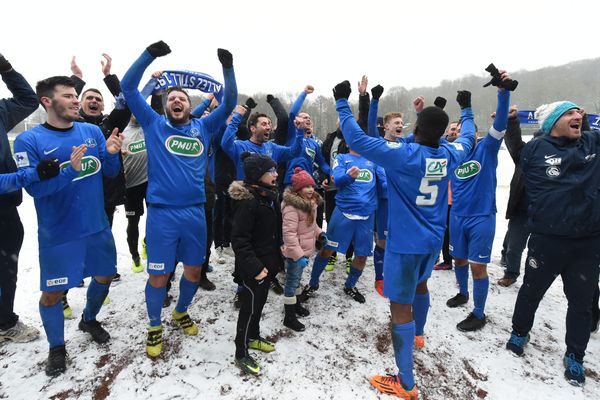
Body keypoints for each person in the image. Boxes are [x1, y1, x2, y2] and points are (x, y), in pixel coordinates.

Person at [331, 79, 477, 399]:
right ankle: (420, 335)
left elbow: (356, 137)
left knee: (400, 307)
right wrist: (466, 109)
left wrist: (342, 101)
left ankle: (406, 383)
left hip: (403, 245)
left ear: (417, 128)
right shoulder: (451, 154)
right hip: (432, 242)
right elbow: (467, 137)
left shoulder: (402, 155)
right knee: (422, 286)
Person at [120, 41, 237, 358]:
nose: (176, 100)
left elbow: (230, 103)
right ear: (165, 104)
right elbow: (128, 88)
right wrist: (148, 55)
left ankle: (181, 311)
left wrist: (227, 67)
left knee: (194, 272)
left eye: (181, 98)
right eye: (171, 97)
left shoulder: (203, 126)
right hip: (162, 215)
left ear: (189, 105)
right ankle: (155, 325)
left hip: (195, 214)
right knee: (159, 275)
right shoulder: (154, 124)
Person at [13, 75, 123, 376]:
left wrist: (112, 155)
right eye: (68, 96)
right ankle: (57, 347)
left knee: (103, 277)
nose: (76, 100)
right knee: (52, 295)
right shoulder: (29, 140)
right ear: (47, 101)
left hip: (96, 227)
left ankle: (89, 319)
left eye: (76, 95)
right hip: (58, 234)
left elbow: (109, 173)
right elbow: (36, 190)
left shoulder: (91, 131)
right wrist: (66, 173)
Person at [505, 101, 600, 387]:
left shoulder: (593, 142)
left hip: (586, 242)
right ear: (553, 122)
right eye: (570, 113)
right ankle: (519, 331)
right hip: (547, 240)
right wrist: (511, 122)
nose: (578, 115)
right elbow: (514, 148)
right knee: (531, 291)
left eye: (579, 112)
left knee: (582, 303)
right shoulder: (535, 149)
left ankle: (575, 354)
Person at [445, 72, 512, 332]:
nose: (463, 134)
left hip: (481, 217)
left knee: (477, 268)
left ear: (475, 133)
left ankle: (479, 312)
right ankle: (462, 293)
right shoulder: (453, 153)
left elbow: (502, 123)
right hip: (457, 216)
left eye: (466, 130)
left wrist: (503, 93)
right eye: (457, 131)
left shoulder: (487, 148)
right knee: (459, 260)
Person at [305, 144, 385, 304]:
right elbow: (339, 180)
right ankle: (312, 284)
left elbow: (384, 185)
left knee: (362, 256)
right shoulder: (342, 158)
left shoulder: (373, 161)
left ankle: (350, 286)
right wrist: (350, 176)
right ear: (348, 142)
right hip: (343, 213)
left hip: (366, 216)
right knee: (327, 250)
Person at [0, 53, 43, 344]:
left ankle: (4, 321)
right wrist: (25, 177)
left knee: (6, 267)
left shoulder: (1, 111)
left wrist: (7, 69)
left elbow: (29, 100)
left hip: (4, 208)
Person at [229, 152, 283, 375]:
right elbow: (239, 240)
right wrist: (255, 267)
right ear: (257, 174)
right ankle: (240, 352)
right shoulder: (248, 202)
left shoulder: (268, 196)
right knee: (248, 307)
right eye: (271, 171)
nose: (276, 174)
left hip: (267, 263)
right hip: (254, 268)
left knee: (259, 304)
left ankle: (253, 336)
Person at [281, 167, 325, 331]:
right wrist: (298, 255)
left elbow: (312, 226)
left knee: (297, 280)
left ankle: (297, 305)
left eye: (312, 187)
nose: (310, 190)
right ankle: (289, 316)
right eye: (306, 187)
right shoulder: (291, 207)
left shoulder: (310, 204)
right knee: (291, 283)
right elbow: (289, 234)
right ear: (298, 190)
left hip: (304, 252)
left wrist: (320, 234)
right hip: (295, 254)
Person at [497, 106, 530, 287]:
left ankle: (535, 277)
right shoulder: (527, 155)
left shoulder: (564, 156)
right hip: (521, 209)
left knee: (539, 250)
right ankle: (511, 272)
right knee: (514, 246)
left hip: (547, 213)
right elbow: (515, 143)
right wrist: (511, 121)